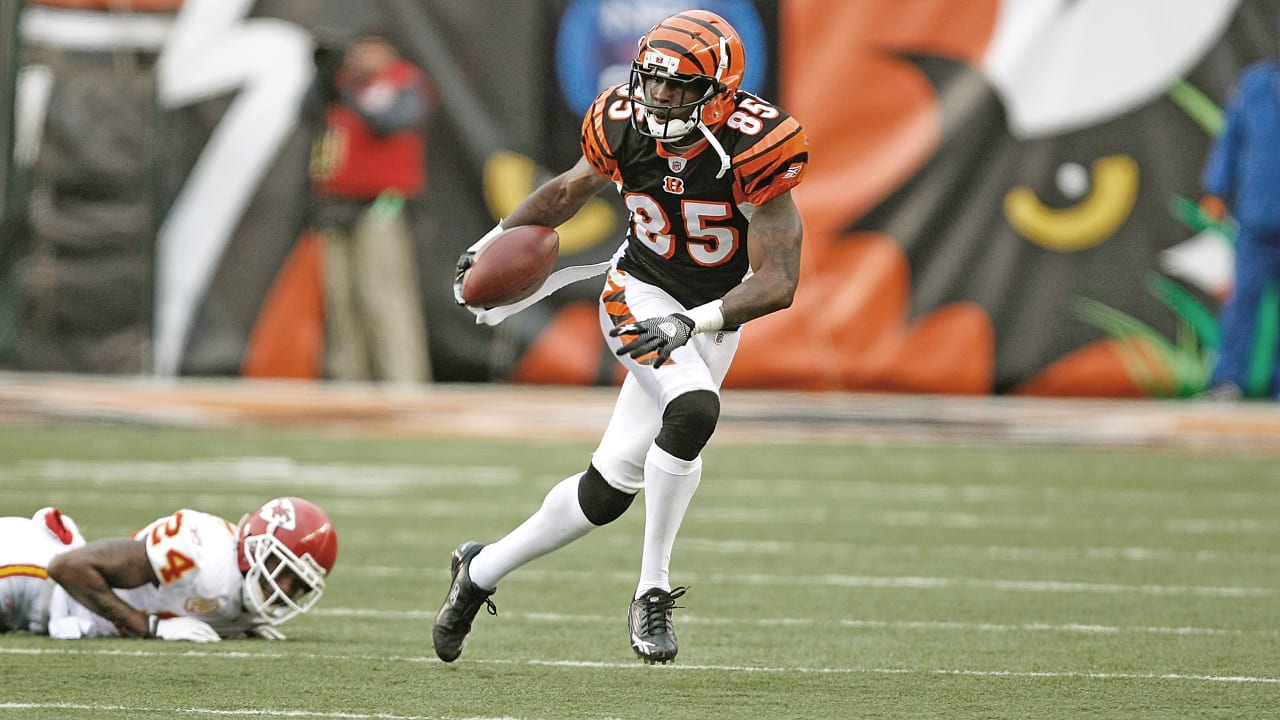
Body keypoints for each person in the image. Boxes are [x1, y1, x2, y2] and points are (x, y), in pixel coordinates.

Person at [435, 10, 808, 664]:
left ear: (721, 93)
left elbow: (777, 281)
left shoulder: (756, 146)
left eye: (679, 87)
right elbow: (567, 191)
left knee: (607, 492)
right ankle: (651, 590)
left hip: (711, 314)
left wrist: (696, 321)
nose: (659, 99)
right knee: (693, 410)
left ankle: (480, 570)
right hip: (636, 291)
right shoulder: (620, 121)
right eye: (653, 82)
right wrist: (490, 242)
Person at [1, 497, 338, 642]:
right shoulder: (201, 551)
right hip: (29, 573)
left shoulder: (245, 599)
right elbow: (69, 567)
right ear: (256, 547)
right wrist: (147, 627)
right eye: (283, 572)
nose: (285, 590)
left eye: (298, 586)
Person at [311, 30, 436, 383]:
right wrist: (322, 78)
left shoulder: (404, 81)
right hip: (337, 204)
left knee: (383, 292)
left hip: (384, 203)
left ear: (387, 51)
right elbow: (306, 115)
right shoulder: (342, 84)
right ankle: (349, 383)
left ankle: (403, 382)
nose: (361, 58)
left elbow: (390, 122)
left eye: (369, 50)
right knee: (342, 300)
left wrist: (346, 93)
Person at [1199, 34, 1280, 400]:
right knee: (1242, 301)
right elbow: (1231, 138)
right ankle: (1229, 381)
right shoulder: (1255, 83)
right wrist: (1216, 188)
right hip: (1257, 215)